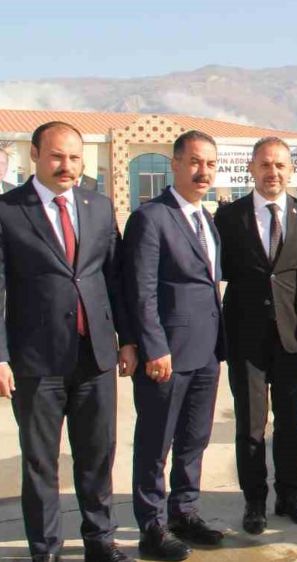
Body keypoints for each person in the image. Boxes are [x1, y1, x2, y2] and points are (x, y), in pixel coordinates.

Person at [0, 121, 136, 562]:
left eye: (75, 157)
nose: (67, 166)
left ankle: (100, 540)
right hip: (36, 362)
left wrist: (128, 340)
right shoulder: (8, 211)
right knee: (40, 464)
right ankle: (46, 550)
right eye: (57, 156)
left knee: (97, 456)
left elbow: (114, 278)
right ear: (34, 155)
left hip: (95, 356)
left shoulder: (97, 207)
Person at [214, 137, 297, 535]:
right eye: (265, 164)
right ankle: (254, 502)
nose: (273, 172)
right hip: (245, 338)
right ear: (251, 168)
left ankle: (289, 495)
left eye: (280, 165)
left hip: (294, 336)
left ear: (290, 170)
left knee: (291, 423)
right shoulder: (228, 219)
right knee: (250, 424)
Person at [123, 130, 226, 561]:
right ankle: (152, 528)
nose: (204, 173)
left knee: (193, 440)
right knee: (156, 442)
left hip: (206, 351)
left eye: (211, 165)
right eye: (195, 163)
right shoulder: (151, 217)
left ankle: (184, 512)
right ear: (176, 164)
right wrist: (154, 347)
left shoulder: (207, 219)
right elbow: (141, 291)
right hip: (167, 354)